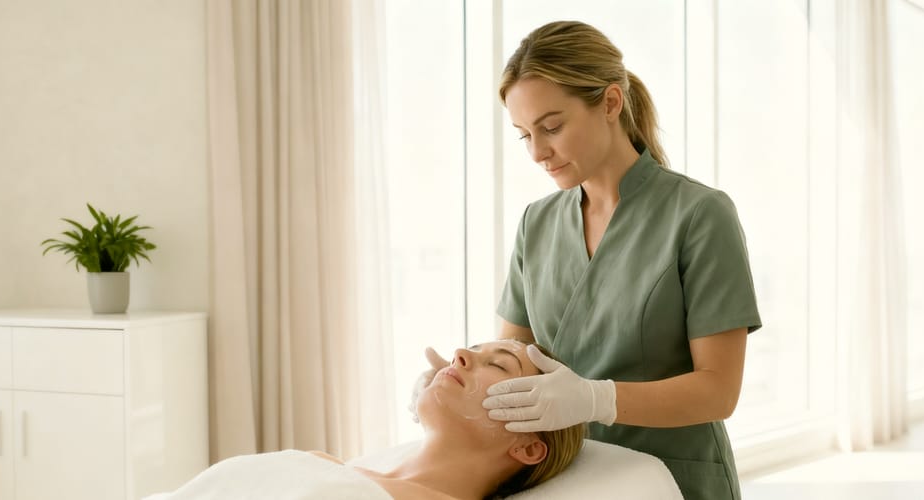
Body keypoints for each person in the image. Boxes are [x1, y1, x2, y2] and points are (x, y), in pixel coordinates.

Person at [415, 20, 761, 500]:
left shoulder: (700, 215)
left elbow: (719, 392)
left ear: (611, 103)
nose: (538, 152)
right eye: (524, 135)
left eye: (552, 127)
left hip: (671, 479)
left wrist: (596, 399)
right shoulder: (537, 223)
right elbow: (514, 363)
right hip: (570, 481)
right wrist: (447, 387)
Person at [165, 340, 585, 500]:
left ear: (528, 447)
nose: (460, 354)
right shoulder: (323, 463)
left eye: (500, 365)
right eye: (473, 347)